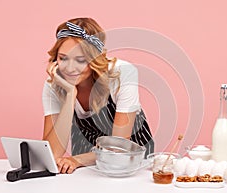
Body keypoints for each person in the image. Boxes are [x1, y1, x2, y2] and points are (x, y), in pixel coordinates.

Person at [42, 17, 154, 174]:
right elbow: (51, 154)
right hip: (84, 163)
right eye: (63, 58)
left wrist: (76, 160)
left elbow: (118, 147)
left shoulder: (122, 74)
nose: (70, 68)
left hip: (130, 161)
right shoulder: (54, 83)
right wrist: (69, 96)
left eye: (80, 60)